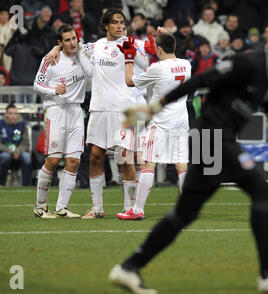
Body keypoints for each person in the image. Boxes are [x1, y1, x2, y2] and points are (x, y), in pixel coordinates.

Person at [109, 22, 268, 294]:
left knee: (185, 214)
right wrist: (156, 106)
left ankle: (128, 268)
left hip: (214, 139)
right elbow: (201, 80)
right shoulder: (249, 62)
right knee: (262, 190)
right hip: (213, 137)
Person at [45, 9, 151, 219]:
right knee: (95, 156)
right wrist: (56, 48)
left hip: (124, 108)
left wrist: (133, 52)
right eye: (115, 22)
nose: (120, 26)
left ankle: (129, 207)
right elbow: (73, 46)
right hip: (99, 108)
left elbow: (146, 64)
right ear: (106, 26)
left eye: (122, 22)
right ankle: (97, 208)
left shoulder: (133, 43)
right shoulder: (95, 46)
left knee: (124, 158)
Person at [116, 32, 191, 220]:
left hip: (161, 122)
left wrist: (129, 59)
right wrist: (165, 36)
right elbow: (168, 54)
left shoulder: (158, 68)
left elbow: (129, 81)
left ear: (158, 49)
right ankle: (188, 210)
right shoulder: (186, 64)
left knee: (149, 164)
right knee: (182, 165)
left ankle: (137, 210)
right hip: (181, 121)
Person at [33, 24, 89, 219]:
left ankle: (61, 208)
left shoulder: (84, 54)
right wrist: (52, 90)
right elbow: (37, 84)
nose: (72, 43)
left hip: (76, 110)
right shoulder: (50, 59)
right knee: (54, 159)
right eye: (67, 40)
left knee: (74, 160)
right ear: (59, 43)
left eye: (74, 38)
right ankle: (40, 207)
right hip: (56, 110)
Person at [0, 104, 32, 186]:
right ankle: (1, 184)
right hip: (4, 152)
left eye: (15, 113)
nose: (13, 116)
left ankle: (26, 186)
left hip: (19, 152)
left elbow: (25, 143)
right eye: (10, 113)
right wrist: (11, 152)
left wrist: (17, 151)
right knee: (5, 157)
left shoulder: (23, 125)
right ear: (5, 114)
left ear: (17, 114)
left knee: (27, 157)